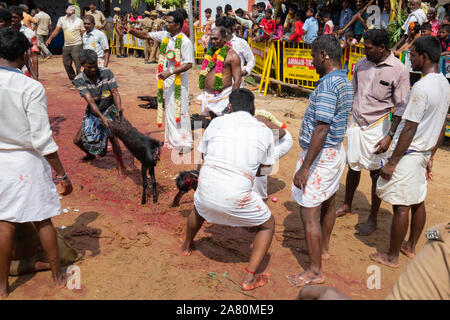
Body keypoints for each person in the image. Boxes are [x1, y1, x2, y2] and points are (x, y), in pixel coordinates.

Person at [0, 28, 73, 298]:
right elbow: (42, 139)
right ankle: (57, 277)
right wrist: (61, 174)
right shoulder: (30, 87)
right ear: (22, 57)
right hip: (25, 162)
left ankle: (3, 287)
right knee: (43, 220)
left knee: (4, 224)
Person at [182, 88, 276, 292]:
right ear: (254, 109)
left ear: (230, 107)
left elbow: (204, 156)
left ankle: (187, 246)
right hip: (235, 195)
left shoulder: (216, 122)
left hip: (206, 190)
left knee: (198, 208)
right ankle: (249, 279)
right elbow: (264, 171)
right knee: (268, 224)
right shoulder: (265, 130)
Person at [372, 36, 450, 268]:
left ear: (424, 57)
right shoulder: (444, 84)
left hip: (409, 153)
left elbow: (410, 127)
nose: (410, 58)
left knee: (402, 206)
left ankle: (392, 256)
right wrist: (431, 155)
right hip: (423, 152)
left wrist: (393, 162)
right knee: (418, 201)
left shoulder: (422, 87)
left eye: (413, 55)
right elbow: (440, 127)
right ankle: (410, 246)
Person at [289, 35, 354, 287]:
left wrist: (306, 167)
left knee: (309, 212)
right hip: (334, 152)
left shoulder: (327, 85)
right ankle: (323, 249)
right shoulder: (344, 80)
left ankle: (315, 271)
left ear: (324, 55)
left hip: (320, 155)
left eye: (313, 55)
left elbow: (321, 128)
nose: (311, 60)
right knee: (328, 200)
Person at [336, 29, 410, 237]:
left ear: (382, 48)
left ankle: (372, 218)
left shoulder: (399, 70)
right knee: (353, 165)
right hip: (357, 123)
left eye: (368, 47)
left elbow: (402, 108)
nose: (364, 50)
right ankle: (347, 205)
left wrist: (390, 136)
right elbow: (353, 92)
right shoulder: (361, 64)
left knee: (376, 172)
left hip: (378, 126)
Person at [297, 222, 450, 300]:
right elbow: (430, 234)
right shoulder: (442, 230)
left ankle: (396, 254)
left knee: (401, 208)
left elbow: (430, 235)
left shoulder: (442, 231)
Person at [124, 10, 194, 154]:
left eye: (169, 22)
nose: (166, 24)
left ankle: (186, 142)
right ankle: (172, 140)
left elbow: (188, 64)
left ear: (178, 24)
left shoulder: (185, 42)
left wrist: (170, 72)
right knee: (168, 110)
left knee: (181, 111)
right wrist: (131, 31)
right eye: (166, 21)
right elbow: (146, 35)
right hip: (166, 82)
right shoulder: (165, 36)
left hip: (178, 82)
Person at [72, 49, 125, 176]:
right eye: (89, 67)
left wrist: (119, 110)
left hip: (109, 108)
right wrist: (101, 117)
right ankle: (91, 154)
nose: (93, 69)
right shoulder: (79, 79)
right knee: (77, 140)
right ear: (83, 65)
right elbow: (90, 102)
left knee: (113, 138)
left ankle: (121, 166)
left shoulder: (106, 72)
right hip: (94, 111)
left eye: (95, 66)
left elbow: (115, 92)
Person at [197, 26, 242, 119]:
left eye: (216, 39)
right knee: (214, 123)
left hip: (223, 97)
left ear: (224, 38)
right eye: (212, 39)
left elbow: (237, 80)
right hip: (210, 97)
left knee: (225, 125)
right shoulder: (211, 53)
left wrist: (232, 101)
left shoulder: (232, 55)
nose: (213, 42)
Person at [46, 4, 84, 81]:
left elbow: (83, 33)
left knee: (78, 64)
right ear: (66, 10)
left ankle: (80, 80)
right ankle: (73, 79)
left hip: (77, 45)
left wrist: (85, 45)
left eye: (72, 9)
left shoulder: (79, 21)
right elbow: (57, 30)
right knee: (66, 64)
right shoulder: (61, 19)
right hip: (66, 45)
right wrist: (50, 38)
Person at [216, 17, 255, 87]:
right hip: (219, 85)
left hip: (236, 85)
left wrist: (245, 71)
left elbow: (251, 60)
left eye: (224, 30)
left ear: (231, 28)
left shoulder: (241, 42)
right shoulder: (217, 43)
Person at [10, 6, 38, 80]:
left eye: (15, 17)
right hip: (7, 72)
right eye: (11, 17)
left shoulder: (29, 33)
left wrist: (35, 76)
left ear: (21, 18)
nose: (12, 20)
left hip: (24, 73)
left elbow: (33, 56)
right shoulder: (4, 33)